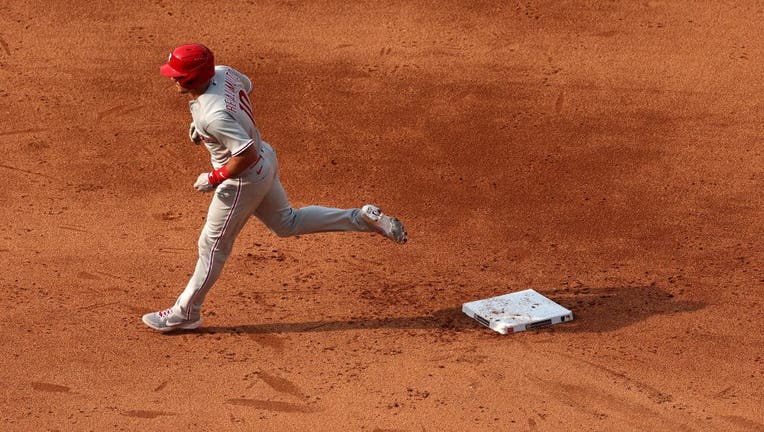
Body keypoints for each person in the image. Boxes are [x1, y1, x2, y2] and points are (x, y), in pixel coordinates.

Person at [142, 43, 408, 332]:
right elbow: (246, 87)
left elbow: (244, 155)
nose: (172, 79)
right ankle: (361, 218)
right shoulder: (223, 72)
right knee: (286, 222)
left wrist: (214, 177)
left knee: (212, 246)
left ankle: (185, 313)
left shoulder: (213, 116)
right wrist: (206, 131)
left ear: (193, 78)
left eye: (177, 75)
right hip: (265, 159)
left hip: (242, 179)